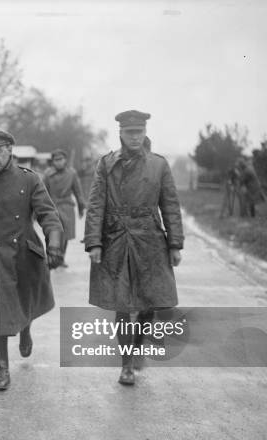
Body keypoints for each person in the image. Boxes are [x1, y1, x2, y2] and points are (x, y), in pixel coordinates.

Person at [0, 129, 64, 391]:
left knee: (23, 302)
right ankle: (2, 369)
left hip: (23, 254)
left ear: (9, 151)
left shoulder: (30, 180)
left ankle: (26, 327)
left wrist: (54, 245)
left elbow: (48, 215)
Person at [84, 110, 184, 386]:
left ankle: (138, 346)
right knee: (122, 305)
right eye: (130, 133)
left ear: (145, 132)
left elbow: (171, 206)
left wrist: (175, 244)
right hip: (116, 240)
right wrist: (94, 242)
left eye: (139, 132)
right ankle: (127, 364)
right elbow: (95, 205)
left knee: (149, 303)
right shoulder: (106, 164)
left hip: (150, 241)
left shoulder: (159, 165)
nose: (135, 137)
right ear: (121, 134)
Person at [43, 148, 85, 267]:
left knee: (65, 235)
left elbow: (78, 191)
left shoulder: (72, 173)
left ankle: (61, 258)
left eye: (61, 159)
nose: (59, 162)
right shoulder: (47, 174)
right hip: (52, 206)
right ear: (53, 162)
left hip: (67, 206)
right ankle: (52, 257)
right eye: (56, 160)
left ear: (65, 160)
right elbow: (42, 192)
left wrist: (81, 206)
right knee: (52, 232)